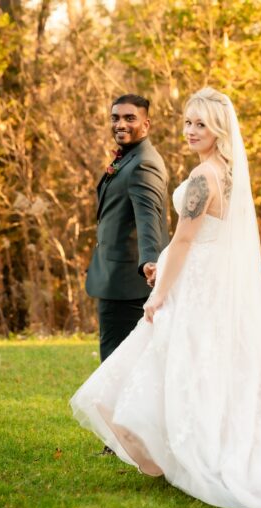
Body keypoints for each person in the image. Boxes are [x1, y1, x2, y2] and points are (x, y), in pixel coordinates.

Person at [71, 88, 261, 508]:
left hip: (194, 283)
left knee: (159, 364)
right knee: (195, 363)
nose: (191, 131)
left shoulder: (204, 177)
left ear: (219, 129)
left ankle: (176, 452)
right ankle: (178, 446)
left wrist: (158, 294)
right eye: (188, 122)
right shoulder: (227, 173)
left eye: (201, 124)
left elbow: (182, 241)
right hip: (207, 280)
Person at [86, 94, 170, 364]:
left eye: (129, 118)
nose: (120, 124)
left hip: (129, 285)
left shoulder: (143, 164)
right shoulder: (129, 158)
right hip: (115, 279)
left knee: (116, 365)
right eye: (115, 118)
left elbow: (149, 217)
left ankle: (118, 409)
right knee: (119, 365)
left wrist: (150, 261)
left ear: (146, 124)